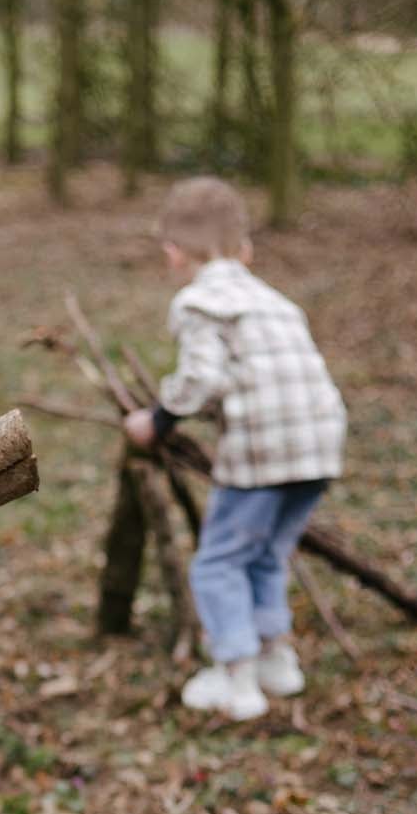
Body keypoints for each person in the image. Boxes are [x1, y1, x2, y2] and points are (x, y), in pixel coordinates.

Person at [125, 176, 347, 721]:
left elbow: (203, 376)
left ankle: (236, 676)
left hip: (263, 450)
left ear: (173, 254)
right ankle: (278, 660)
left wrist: (158, 420)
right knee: (267, 554)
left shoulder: (198, 301)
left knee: (219, 561)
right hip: (319, 444)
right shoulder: (276, 302)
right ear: (245, 251)